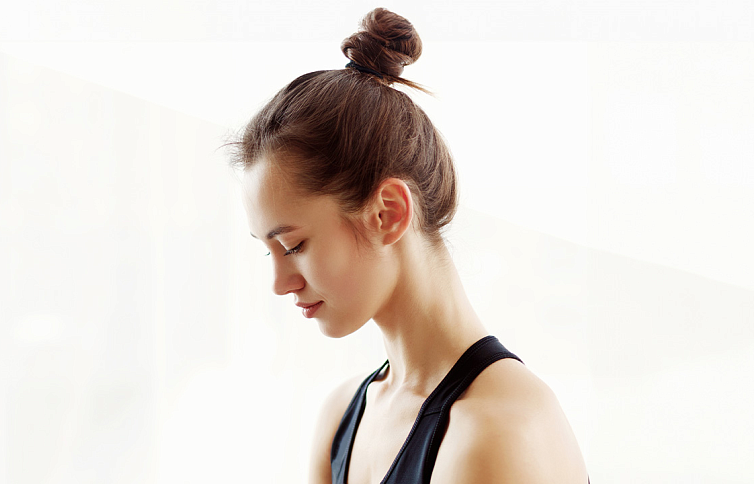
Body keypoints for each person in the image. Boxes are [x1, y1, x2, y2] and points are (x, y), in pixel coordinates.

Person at [230, 7, 588, 484]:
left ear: (389, 213)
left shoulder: (498, 431)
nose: (279, 284)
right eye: (267, 250)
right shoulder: (340, 418)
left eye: (293, 245)